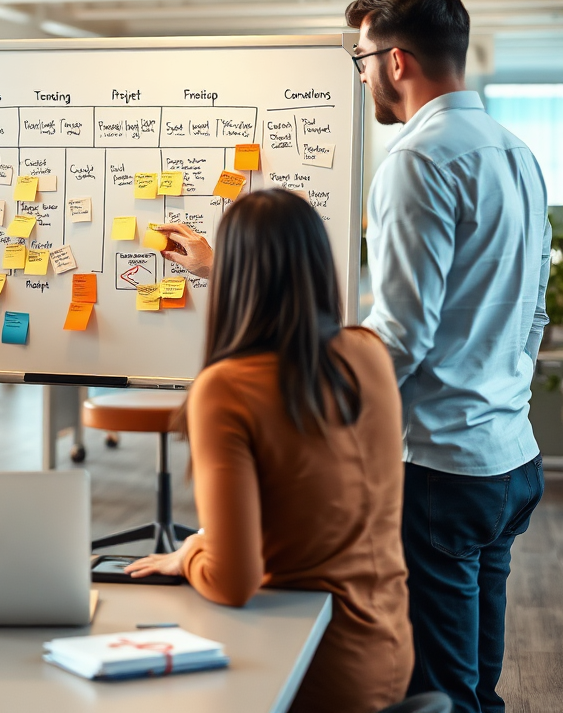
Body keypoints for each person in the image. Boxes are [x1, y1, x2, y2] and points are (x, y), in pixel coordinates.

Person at [346, 0, 549, 713]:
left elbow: (400, 335)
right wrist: (501, 390)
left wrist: (327, 404)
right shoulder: (518, 153)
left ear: (396, 61)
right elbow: (534, 311)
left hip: (441, 469)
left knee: (438, 692)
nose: (361, 74)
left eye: (361, 58)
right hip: (509, 456)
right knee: (478, 687)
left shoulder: (416, 161)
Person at [126, 190, 412, 713]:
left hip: (304, 666)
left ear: (235, 274)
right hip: (386, 648)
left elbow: (232, 583)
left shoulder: (226, 387)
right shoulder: (367, 353)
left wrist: (191, 552)